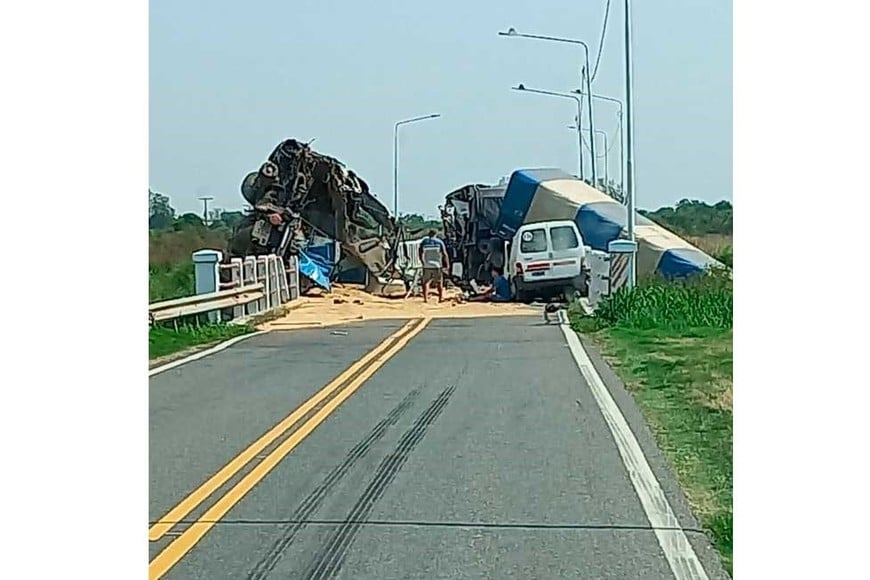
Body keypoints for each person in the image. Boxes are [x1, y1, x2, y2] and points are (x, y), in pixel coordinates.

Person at [418, 229, 449, 303]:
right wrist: (447, 265)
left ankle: (425, 298)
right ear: (436, 234)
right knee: (439, 282)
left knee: (426, 282)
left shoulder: (424, 242)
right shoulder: (439, 242)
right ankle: (440, 298)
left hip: (427, 265)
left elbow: (420, 252)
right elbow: (445, 254)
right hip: (437, 265)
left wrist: (422, 261)